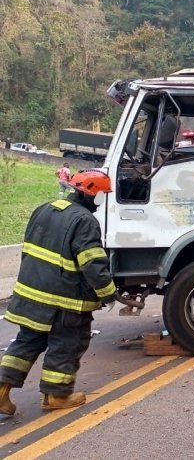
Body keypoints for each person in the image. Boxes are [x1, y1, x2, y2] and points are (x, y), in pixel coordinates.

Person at [0, 169, 118, 415]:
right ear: (91, 194)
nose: (100, 202)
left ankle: (1, 392)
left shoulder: (44, 209)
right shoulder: (85, 221)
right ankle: (56, 395)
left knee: (27, 341)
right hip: (64, 300)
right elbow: (92, 263)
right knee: (68, 343)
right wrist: (108, 293)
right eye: (101, 196)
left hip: (31, 294)